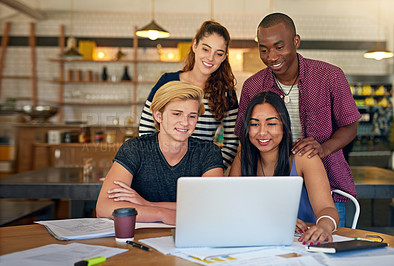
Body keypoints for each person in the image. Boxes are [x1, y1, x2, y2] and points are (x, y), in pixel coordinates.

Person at [234, 13, 361, 226]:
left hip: (327, 185)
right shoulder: (253, 86)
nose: (271, 56)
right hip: (274, 191)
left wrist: (324, 148)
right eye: (263, 50)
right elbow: (246, 137)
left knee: (325, 244)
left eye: (279, 47)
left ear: (296, 42)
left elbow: (350, 126)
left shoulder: (329, 76)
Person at [96, 81, 224, 225]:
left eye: (192, 116)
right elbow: (104, 207)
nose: (185, 122)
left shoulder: (208, 152)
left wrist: (147, 204)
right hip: (141, 239)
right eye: (177, 114)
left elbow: (213, 205)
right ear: (158, 116)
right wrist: (162, 214)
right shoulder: (134, 149)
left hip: (191, 235)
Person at [230, 91, 339, 244]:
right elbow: (232, 207)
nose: (262, 132)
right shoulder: (243, 158)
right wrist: (275, 219)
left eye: (271, 123)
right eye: (254, 124)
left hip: (301, 245)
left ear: (284, 125)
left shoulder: (304, 158)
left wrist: (324, 227)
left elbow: (327, 209)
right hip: (260, 242)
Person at [139, 20, 239, 170]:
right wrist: (158, 167)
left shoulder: (226, 92)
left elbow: (231, 143)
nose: (211, 58)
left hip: (202, 174)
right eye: (206, 49)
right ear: (195, 46)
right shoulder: (168, 81)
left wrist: (211, 169)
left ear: (224, 57)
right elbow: (145, 129)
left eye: (218, 53)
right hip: (163, 167)